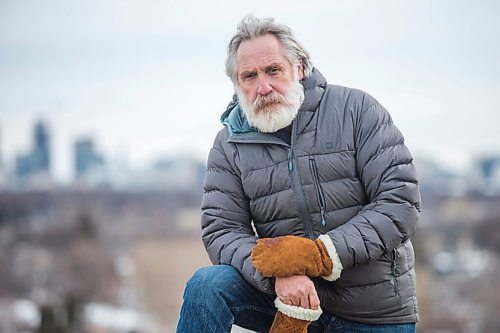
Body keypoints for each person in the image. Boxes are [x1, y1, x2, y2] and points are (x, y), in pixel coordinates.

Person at [177, 15, 421, 333]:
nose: (263, 87)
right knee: (207, 286)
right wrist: (279, 272)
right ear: (237, 85)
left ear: (300, 67)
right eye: (248, 76)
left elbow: (399, 203)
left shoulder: (357, 110)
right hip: (282, 300)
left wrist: (320, 255)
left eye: (273, 70)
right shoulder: (229, 144)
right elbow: (221, 231)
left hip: (372, 311)